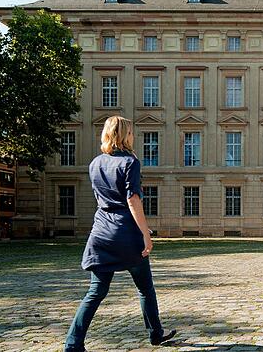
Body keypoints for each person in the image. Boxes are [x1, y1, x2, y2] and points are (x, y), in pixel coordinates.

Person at [64, 116, 176, 351]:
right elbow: (132, 199)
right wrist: (146, 234)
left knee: (95, 292)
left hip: (101, 234)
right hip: (125, 234)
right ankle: (155, 333)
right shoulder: (130, 162)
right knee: (145, 288)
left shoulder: (94, 163)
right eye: (131, 132)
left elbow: (102, 199)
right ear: (125, 135)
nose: (133, 136)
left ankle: (73, 343)